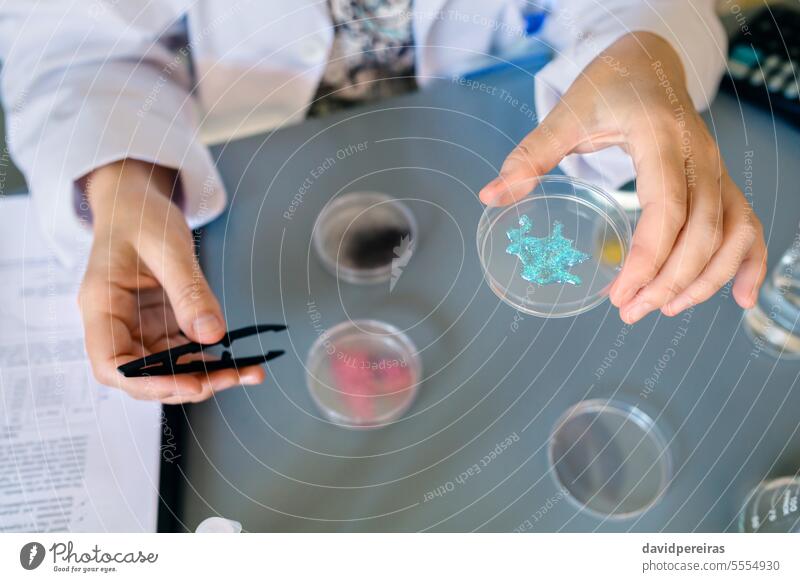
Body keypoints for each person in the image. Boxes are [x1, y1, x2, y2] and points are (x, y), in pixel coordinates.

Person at [0, 1, 766, 403]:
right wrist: (123, 177)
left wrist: (645, 52)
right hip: (248, 177)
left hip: (483, 138)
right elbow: (69, 40)